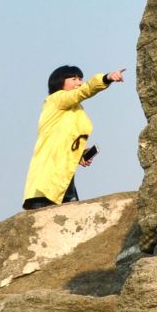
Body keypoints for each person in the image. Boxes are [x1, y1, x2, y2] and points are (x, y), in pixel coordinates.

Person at [22, 67, 124, 210]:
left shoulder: (74, 108)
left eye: (80, 79)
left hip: (64, 178)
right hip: (46, 184)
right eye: (74, 79)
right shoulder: (56, 99)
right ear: (59, 82)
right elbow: (84, 91)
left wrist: (80, 154)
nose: (79, 83)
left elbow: (64, 141)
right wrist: (106, 78)